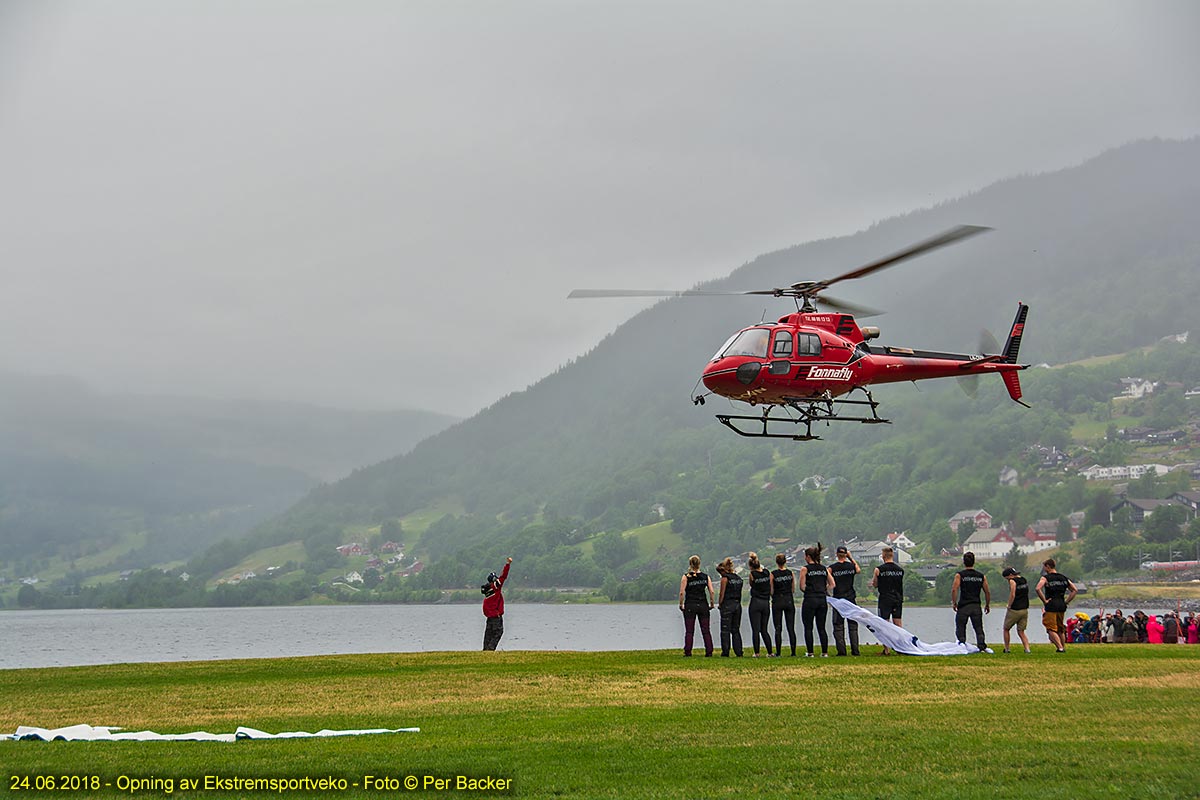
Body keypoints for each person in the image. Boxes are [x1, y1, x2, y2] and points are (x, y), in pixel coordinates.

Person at [798, 544, 835, 657]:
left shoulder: (805, 569)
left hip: (810, 599)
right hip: (822, 600)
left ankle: (810, 652)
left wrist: (809, 590)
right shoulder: (823, 568)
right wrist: (823, 590)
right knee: (821, 627)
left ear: (808, 557)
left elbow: (802, 586)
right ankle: (824, 652)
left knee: (808, 627)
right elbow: (832, 584)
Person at [951, 552, 990, 652]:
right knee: (978, 627)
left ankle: (961, 644)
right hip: (976, 605)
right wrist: (987, 604)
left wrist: (954, 602)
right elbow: (987, 591)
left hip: (964, 605)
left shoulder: (960, 575)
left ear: (964, 562)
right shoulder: (981, 576)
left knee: (960, 626)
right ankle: (981, 646)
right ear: (974, 562)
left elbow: (955, 589)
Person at [1035, 558, 1077, 653]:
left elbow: (1038, 588)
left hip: (1051, 605)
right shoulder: (1063, 578)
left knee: (1050, 628)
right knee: (1060, 629)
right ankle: (1063, 646)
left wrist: (1044, 601)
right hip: (1061, 605)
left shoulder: (1045, 578)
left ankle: (1060, 648)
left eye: (1044, 567)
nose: (1044, 569)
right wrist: (1066, 602)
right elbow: (1074, 590)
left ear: (1048, 567)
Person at [678, 555, 715, 657]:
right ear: (699, 564)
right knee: (706, 630)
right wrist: (711, 603)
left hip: (690, 605)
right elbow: (711, 591)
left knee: (689, 631)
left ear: (690, 564)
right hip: (703, 604)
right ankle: (709, 651)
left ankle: (688, 651)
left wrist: (681, 604)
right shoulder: (705, 577)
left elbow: (682, 592)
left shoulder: (686, 577)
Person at [870, 546, 905, 655]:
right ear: (892, 555)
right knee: (898, 623)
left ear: (883, 556)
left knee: (884, 624)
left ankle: (886, 649)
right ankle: (901, 648)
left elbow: (875, 584)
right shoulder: (900, 570)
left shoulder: (879, 569)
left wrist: (876, 579)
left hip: (885, 599)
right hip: (898, 598)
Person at [829, 545, 861, 656]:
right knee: (853, 626)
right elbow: (858, 570)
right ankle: (855, 651)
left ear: (837, 554)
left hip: (838, 599)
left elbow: (827, 577)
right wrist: (851, 558)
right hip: (851, 598)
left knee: (838, 626)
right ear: (846, 555)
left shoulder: (832, 568)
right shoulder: (851, 566)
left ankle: (842, 651)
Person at [481, 557, 513, 651]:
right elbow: (504, 576)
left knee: (488, 633)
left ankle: (485, 650)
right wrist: (508, 564)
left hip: (489, 617)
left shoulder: (487, 591)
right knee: (498, 631)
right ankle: (491, 649)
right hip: (496, 616)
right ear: (494, 579)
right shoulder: (496, 587)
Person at [715, 557, 744, 657]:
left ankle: (725, 652)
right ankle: (739, 651)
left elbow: (721, 594)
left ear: (723, 570)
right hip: (737, 605)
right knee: (736, 630)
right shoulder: (738, 578)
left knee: (725, 630)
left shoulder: (725, 579)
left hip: (727, 605)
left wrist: (720, 604)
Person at [771, 552, 798, 657]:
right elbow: (793, 589)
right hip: (789, 600)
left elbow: (771, 590)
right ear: (785, 561)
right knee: (791, 627)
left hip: (778, 600)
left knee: (778, 628)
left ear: (776, 562)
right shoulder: (790, 573)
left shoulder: (773, 574)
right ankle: (793, 652)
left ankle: (778, 652)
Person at [746, 552, 773, 657]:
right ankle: (770, 652)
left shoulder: (752, 575)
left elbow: (751, 584)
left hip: (756, 602)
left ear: (750, 566)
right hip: (766, 603)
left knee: (755, 630)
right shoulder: (767, 572)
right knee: (764, 629)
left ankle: (757, 652)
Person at [1001, 566, 1031, 654]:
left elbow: (1013, 594)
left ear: (1010, 575)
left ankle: (1007, 649)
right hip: (1024, 609)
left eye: (1006, 578)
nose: (1007, 580)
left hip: (1015, 609)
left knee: (1006, 628)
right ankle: (1027, 649)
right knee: (1021, 631)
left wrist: (1009, 605)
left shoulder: (1012, 581)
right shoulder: (1024, 580)